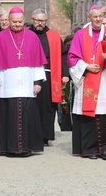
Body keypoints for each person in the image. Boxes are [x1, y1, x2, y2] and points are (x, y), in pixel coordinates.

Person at [0, 6, 47, 157]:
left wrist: (38, 82)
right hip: (7, 83)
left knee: (28, 115)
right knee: (7, 116)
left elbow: (38, 63)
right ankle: (8, 148)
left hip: (27, 83)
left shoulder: (32, 36)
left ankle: (27, 147)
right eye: (14, 22)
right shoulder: (0, 38)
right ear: (9, 21)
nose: (17, 25)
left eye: (20, 22)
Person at [68, 4, 106, 160]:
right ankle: (89, 149)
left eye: (101, 16)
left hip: (104, 79)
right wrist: (86, 66)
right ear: (89, 18)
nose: (98, 19)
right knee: (88, 117)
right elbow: (72, 57)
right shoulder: (80, 35)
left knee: (105, 116)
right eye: (95, 16)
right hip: (87, 78)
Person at [29, 8, 70, 146]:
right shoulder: (26, 34)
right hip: (28, 73)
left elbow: (63, 56)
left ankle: (45, 136)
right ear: (32, 20)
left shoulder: (53, 36)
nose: (40, 23)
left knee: (47, 106)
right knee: (30, 105)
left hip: (49, 74)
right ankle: (31, 134)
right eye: (37, 20)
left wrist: (65, 74)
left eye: (43, 21)